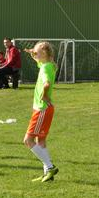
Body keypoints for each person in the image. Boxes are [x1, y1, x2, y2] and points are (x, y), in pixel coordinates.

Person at [23, 41, 59, 182]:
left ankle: (50, 167)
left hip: (42, 109)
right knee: (41, 141)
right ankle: (47, 174)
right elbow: (39, 61)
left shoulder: (45, 68)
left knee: (28, 140)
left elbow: (47, 83)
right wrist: (32, 53)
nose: (34, 53)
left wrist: (44, 95)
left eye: (37, 51)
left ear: (44, 53)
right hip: (46, 109)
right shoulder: (48, 65)